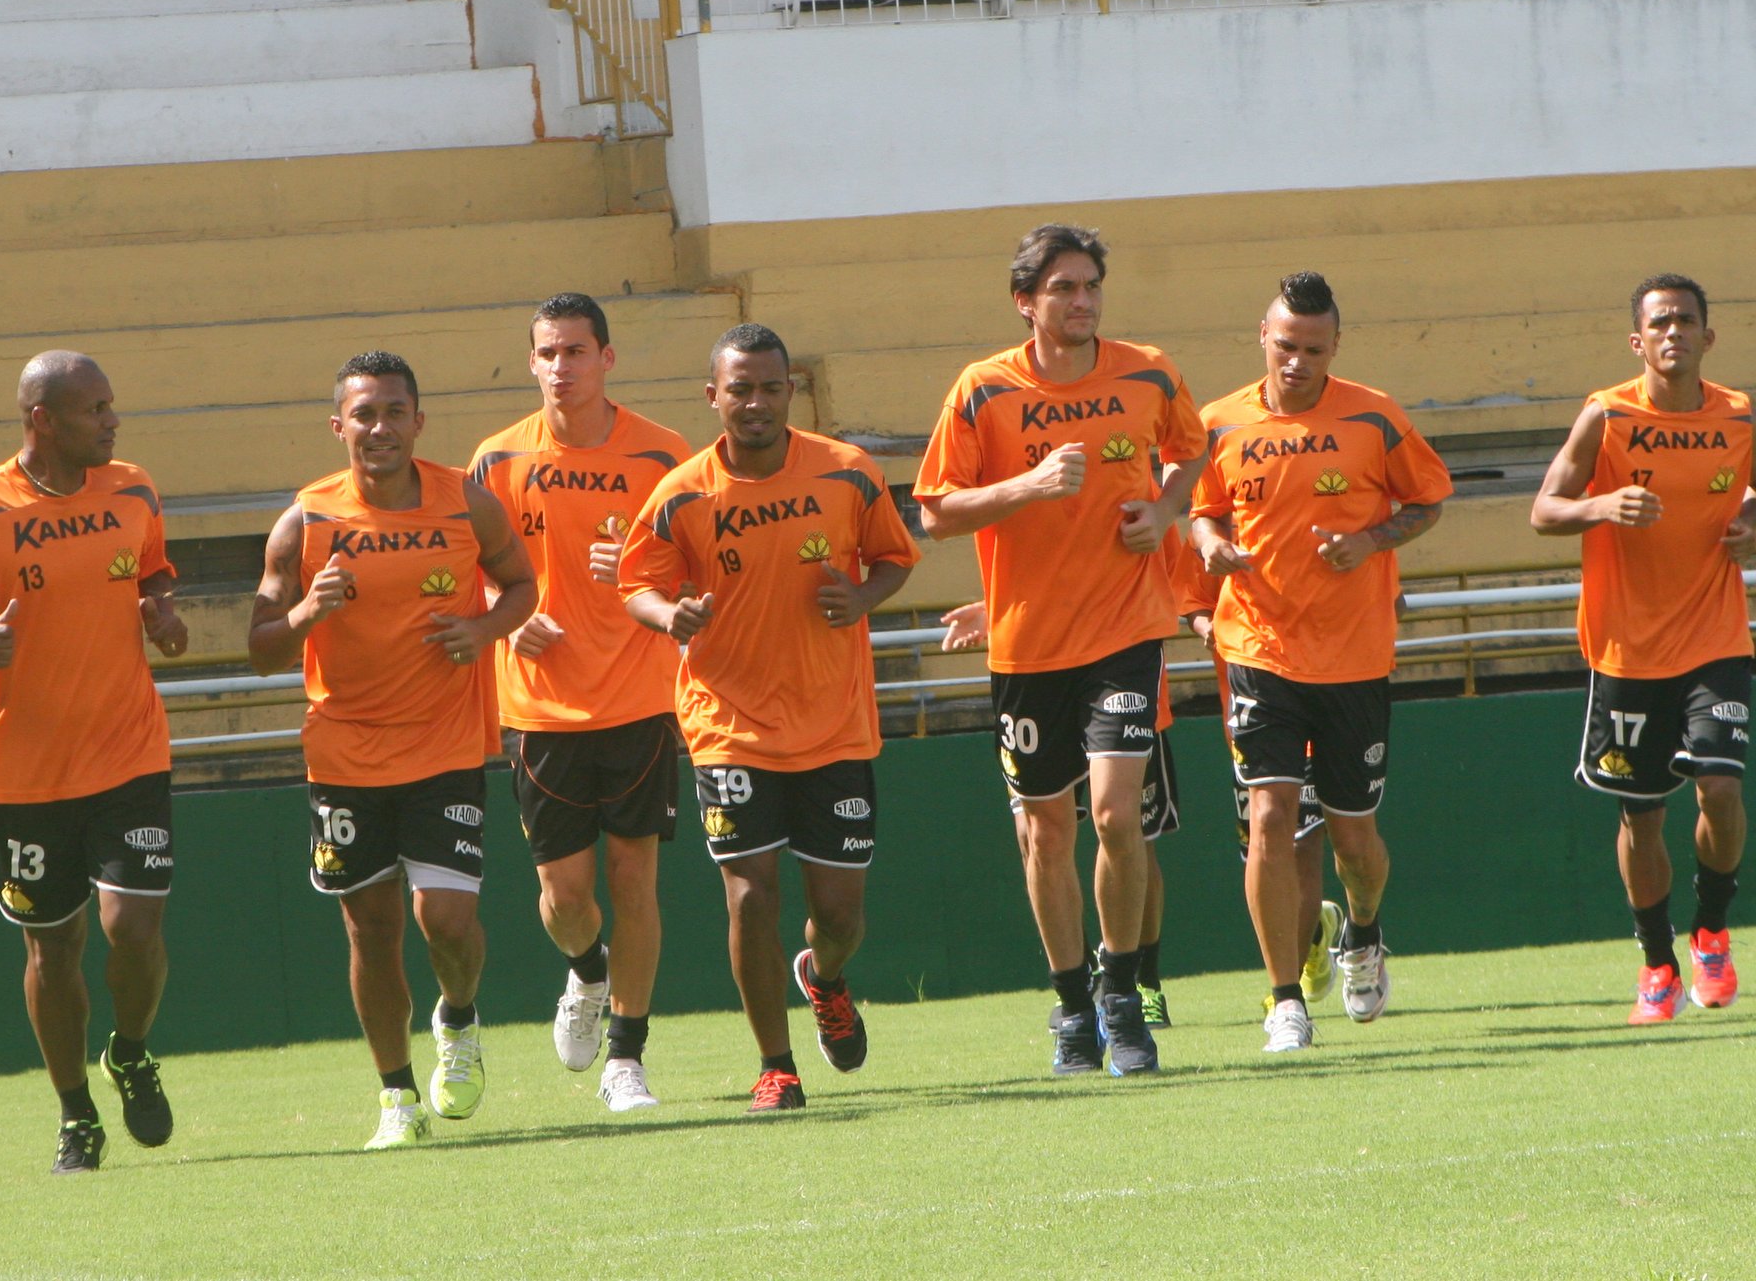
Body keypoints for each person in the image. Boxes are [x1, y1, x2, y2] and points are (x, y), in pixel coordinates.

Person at [913, 224, 1206, 1077]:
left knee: (1117, 815)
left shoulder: (1147, 370)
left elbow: (1195, 450)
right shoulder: (982, 390)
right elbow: (935, 512)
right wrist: (1028, 486)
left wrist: (1167, 509)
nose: (1081, 302)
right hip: (1029, 647)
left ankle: (1121, 991)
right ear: (1026, 302)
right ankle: (1072, 1002)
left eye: (1090, 287)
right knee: (1044, 834)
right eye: (1062, 289)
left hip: (1125, 631)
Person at [619, 323, 920, 1112]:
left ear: (792, 391)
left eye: (770, 387)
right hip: (728, 722)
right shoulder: (682, 492)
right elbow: (636, 584)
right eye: (739, 388)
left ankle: (823, 978)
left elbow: (893, 558)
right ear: (712, 395)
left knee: (839, 916)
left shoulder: (849, 474)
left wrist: (860, 597)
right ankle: (775, 1064)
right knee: (750, 895)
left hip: (834, 724)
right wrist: (668, 615)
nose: (755, 403)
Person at [0, 350, 188, 1174]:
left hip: (129, 749)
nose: (112, 420)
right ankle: (76, 1114)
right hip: (26, 769)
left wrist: (162, 615)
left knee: (131, 926)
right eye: (95, 408)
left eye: (111, 405)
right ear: (43, 420)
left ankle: (129, 1049)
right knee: (51, 949)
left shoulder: (131, 487)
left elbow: (152, 574)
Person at [248, 351, 537, 1148]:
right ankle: (396, 1097)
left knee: (444, 919)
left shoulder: (465, 502)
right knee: (371, 932)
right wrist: (310, 608)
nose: (380, 428)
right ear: (339, 424)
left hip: (444, 748)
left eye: (393, 412)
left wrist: (481, 629)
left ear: (419, 419)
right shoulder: (305, 521)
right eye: (363, 414)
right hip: (344, 758)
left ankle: (459, 1016)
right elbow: (261, 644)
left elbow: (522, 585)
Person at [1186, 271, 1451, 1054]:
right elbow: (1200, 508)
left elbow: (1430, 498)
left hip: (1353, 656)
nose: (1297, 360)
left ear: (1335, 346)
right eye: (1286, 344)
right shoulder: (1219, 422)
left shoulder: (1374, 416)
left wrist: (1369, 542)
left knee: (1352, 842)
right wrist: (1209, 544)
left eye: (1314, 348)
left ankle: (1363, 929)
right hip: (1258, 648)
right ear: (1262, 337)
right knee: (1268, 817)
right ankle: (1283, 998)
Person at [1530, 274, 1756, 1024]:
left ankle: (1711, 931)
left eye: (1686, 321)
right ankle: (1656, 962)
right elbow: (1543, 510)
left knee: (1721, 788)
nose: (1674, 332)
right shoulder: (1605, 416)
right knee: (1640, 819)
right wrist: (1602, 505)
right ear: (1638, 341)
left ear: (1709, 336)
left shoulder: (1738, 415)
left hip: (1714, 637)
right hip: (1627, 649)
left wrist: (1750, 519)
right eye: (1659, 322)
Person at [467, 294, 690, 1111]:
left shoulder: (663, 456)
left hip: (638, 696)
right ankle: (587, 971)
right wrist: (504, 621)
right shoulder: (495, 461)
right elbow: (465, 568)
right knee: (565, 898)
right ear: (531, 362)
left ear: (608, 358)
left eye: (576, 351)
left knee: (635, 877)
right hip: (539, 707)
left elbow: (703, 566)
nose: (562, 367)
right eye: (548, 353)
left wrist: (640, 576)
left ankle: (627, 1056)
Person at [939, 597, 1179, 1032]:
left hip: (1120, 652)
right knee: (1038, 837)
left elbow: (1166, 557)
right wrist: (998, 607)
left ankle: (1136, 985)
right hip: (1031, 661)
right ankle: (1078, 988)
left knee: (1125, 825)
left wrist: (1162, 522)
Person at [1172, 539, 1342, 1013]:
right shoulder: (1209, 534)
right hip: (1251, 711)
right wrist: (1208, 627)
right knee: (1264, 848)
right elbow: (1194, 604)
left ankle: (1284, 994)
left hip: (1317, 695)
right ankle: (1311, 937)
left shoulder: (1308, 517)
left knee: (1303, 841)